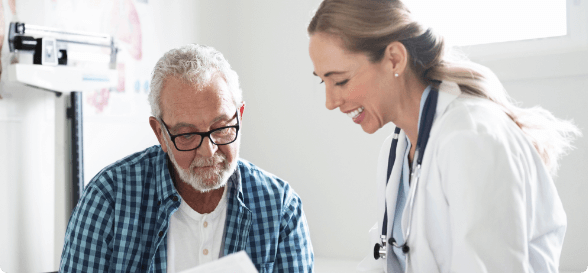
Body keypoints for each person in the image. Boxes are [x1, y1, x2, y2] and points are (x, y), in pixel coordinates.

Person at [307, 0, 580, 272]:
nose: (330, 102)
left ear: (394, 59)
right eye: (323, 81)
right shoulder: (397, 150)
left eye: (340, 80)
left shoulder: (470, 139)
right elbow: (385, 260)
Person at [60, 44, 314, 272]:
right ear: (160, 133)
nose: (209, 151)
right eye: (188, 135)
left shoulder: (280, 206)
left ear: (240, 115)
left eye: (222, 127)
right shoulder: (109, 198)